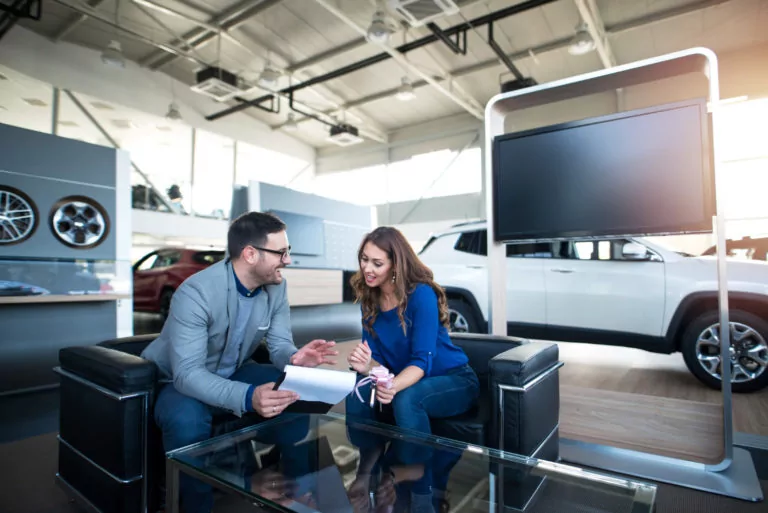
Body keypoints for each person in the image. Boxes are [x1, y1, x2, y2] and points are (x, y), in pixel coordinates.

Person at [141, 211, 338, 513]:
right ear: (250, 254)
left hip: (231, 370)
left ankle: (293, 494)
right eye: (281, 252)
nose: (287, 260)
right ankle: (195, 506)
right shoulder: (195, 293)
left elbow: (279, 344)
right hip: (178, 381)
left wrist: (294, 358)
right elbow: (188, 374)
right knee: (186, 421)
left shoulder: (277, 287)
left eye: (288, 251)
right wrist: (249, 397)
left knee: (297, 391)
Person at [345, 226, 480, 437]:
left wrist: (392, 385)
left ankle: (414, 459)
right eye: (364, 259)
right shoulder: (370, 301)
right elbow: (378, 364)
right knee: (357, 390)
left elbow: (422, 361)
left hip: (453, 379)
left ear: (395, 265)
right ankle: (368, 457)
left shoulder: (421, 294)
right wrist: (367, 365)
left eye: (377, 263)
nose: (367, 269)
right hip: (404, 377)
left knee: (407, 398)